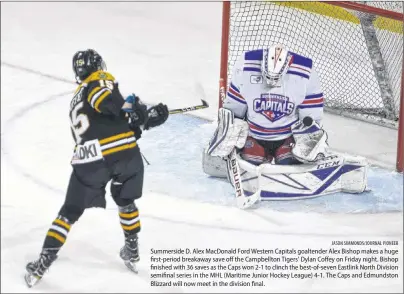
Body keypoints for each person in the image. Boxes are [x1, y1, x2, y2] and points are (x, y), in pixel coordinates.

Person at [25, 49, 169, 287]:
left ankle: (41, 265)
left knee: (69, 212)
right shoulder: (99, 81)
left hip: (91, 161)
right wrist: (141, 115)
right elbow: (106, 103)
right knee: (125, 200)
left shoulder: (74, 101)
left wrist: (141, 120)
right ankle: (132, 250)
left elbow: (107, 128)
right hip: (125, 155)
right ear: (97, 66)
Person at [211, 43, 325, 165]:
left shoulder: (304, 73)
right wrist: (230, 131)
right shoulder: (246, 66)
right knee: (251, 161)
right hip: (254, 136)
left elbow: (310, 116)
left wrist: (309, 136)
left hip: (287, 138)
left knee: (290, 163)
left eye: (276, 78)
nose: (271, 82)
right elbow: (235, 106)